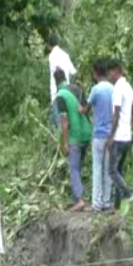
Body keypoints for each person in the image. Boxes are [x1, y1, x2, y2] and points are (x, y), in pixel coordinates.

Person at [55, 69, 93, 211]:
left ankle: (79, 200)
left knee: (74, 168)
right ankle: (77, 198)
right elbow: (86, 109)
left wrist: (65, 142)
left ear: (55, 82)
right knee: (79, 167)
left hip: (75, 136)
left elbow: (64, 121)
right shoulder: (77, 88)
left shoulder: (60, 96)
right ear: (65, 78)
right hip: (87, 133)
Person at [83, 58, 115, 212]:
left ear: (95, 73)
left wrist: (80, 109)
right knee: (109, 169)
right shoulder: (113, 89)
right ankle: (108, 202)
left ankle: (97, 204)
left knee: (97, 168)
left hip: (98, 135)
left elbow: (86, 110)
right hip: (111, 136)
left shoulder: (96, 90)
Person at [107, 61, 133, 208]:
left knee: (112, 171)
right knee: (119, 170)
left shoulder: (118, 88)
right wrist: (132, 126)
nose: (108, 76)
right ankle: (117, 206)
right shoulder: (128, 87)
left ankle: (128, 193)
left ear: (116, 71)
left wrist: (111, 137)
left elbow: (116, 114)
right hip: (127, 137)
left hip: (119, 137)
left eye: (110, 72)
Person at [47, 35, 77, 127]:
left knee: (60, 123)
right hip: (67, 92)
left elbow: (58, 69)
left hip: (56, 93)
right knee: (53, 122)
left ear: (49, 46)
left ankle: (63, 140)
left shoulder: (51, 56)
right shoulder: (65, 55)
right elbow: (74, 72)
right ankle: (51, 139)